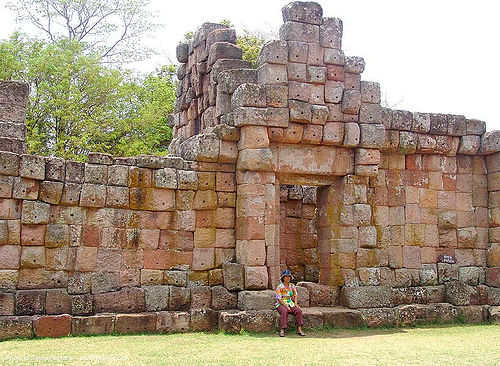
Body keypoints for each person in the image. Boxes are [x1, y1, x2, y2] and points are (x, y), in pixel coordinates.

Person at [275, 269, 305, 337]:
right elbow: (279, 299)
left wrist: (296, 304)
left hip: (290, 302)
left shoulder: (292, 286)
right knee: (284, 311)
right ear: (283, 278)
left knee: (298, 311)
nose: (288, 278)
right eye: (286, 276)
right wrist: (286, 306)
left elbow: (295, 295)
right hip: (281, 304)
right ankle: (282, 330)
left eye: (289, 276)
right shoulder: (279, 287)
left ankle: (299, 329)